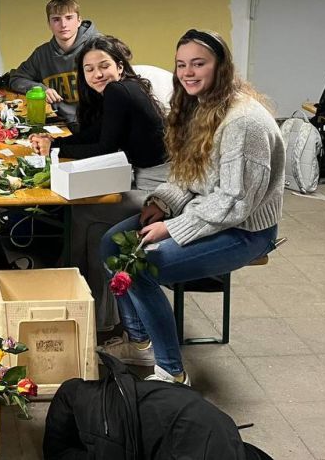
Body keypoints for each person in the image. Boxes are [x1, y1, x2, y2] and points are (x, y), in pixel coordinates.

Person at [98, 30, 284, 386]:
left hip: (246, 231)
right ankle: (139, 342)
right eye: (182, 64)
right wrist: (163, 202)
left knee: (140, 266)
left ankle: (171, 371)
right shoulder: (198, 105)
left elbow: (235, 202)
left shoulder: (243, 122)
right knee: (111, 245)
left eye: (198, 64)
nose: (188, 72)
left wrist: (171, 227)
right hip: (206, 211)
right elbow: (188, 172)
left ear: (221, 67)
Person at [28, 35, 168, 333]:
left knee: (83, 212)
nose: (97, 74)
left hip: (158, 193)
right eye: (89, 69)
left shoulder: (118, 90)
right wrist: (54, 142)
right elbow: (93, 135)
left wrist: (56, 148)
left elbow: (105, 149)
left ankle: (73, 295)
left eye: (104, 66)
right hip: (137, 178)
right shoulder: (120, 90)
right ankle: (91, 309)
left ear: (119, 66)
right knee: (91, 226)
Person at [9, 0, 100, 129]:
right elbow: (16, 79)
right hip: (61, 123)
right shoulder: (42, 53)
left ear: (79, 20)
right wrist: (41, 89)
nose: (63, 25)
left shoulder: (99, 47)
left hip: (96, 123)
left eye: (69, 18)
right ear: (49, 24)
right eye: (56, 19)